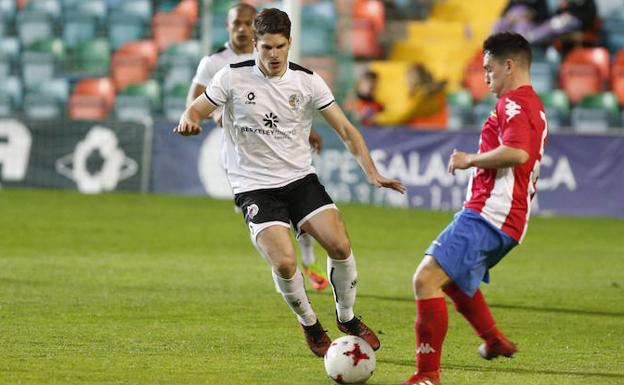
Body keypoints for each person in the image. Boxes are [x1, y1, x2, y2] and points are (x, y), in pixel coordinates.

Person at [175, 8, 406, 357]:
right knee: (284, 262)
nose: (273, 55)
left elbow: (346, 130)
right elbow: (193, 109)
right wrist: (190, 120)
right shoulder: (230, 77)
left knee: (341, 246)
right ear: (255, 44)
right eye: (266, 48)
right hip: (253, 186)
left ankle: (347, 317)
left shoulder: (308, 81)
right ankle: (311, 325)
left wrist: (371, 172)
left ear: (290, 43)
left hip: (300, 180)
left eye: (280, 47)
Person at [400, 32, 548, 385]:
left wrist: (470, 160)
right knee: (450, 281)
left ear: (508, 65)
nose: (484, 77)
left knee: (425, 279)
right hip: (504, 218)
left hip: (490, 214)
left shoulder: (513, 103)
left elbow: (517, 153)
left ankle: (427, 376)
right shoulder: (531, 103)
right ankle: (494, 341)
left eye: (489, 68)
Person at [186, 3, 329, 291]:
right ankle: (284, 264)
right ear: (228, 26)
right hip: (243, 157)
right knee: (274, 212)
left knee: (303, 198)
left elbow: (285, 103)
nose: (241, 28)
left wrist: (308, 129)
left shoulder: (269, 54)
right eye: (236, 23)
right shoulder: (215, 63)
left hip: (282, 148)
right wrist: (212, 114)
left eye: (246, 23)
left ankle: (308, 261)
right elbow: (193, 103)